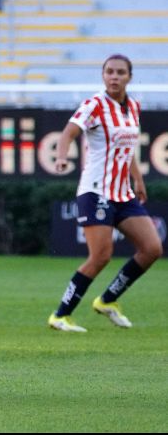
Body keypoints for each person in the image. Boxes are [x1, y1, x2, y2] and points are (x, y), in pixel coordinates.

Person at [48, 55, 163, 332]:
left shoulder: (133, 106)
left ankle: (107, 300)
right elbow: (67, 134)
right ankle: (60, 315)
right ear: (103, 75)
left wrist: (137, 178)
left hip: (123, 193)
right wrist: (62, 157)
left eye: (120, 72)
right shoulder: (94, 105)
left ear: (129, 77)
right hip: (96, 191)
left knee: (151, 249)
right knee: (100, 256)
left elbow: (127, 148)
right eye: (109, 72)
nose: (114, 77)